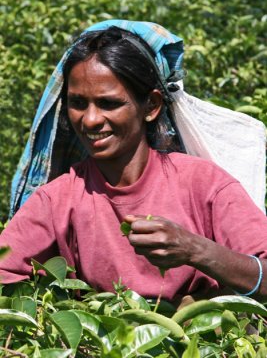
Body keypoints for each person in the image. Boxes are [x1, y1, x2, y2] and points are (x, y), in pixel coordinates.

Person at [0, 20, 267, 306]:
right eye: (77, 103)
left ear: (151, 107)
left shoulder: (204, 183)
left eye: (109, 103)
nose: (89, 119)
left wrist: (195, 250)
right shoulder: (57, 199)